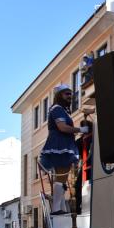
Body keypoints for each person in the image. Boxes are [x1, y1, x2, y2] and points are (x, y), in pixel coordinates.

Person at [39, 84, 89, 215]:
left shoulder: (61, 110)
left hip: (62, 144)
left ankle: (59, 207)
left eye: (70, 94)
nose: (70, 96)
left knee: (61, 177)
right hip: (60, 145)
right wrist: (80, 130)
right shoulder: (57, 109)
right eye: (67, 94)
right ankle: (57, 208)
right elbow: (62, 127)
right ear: (59, 95)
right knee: (61, 176)